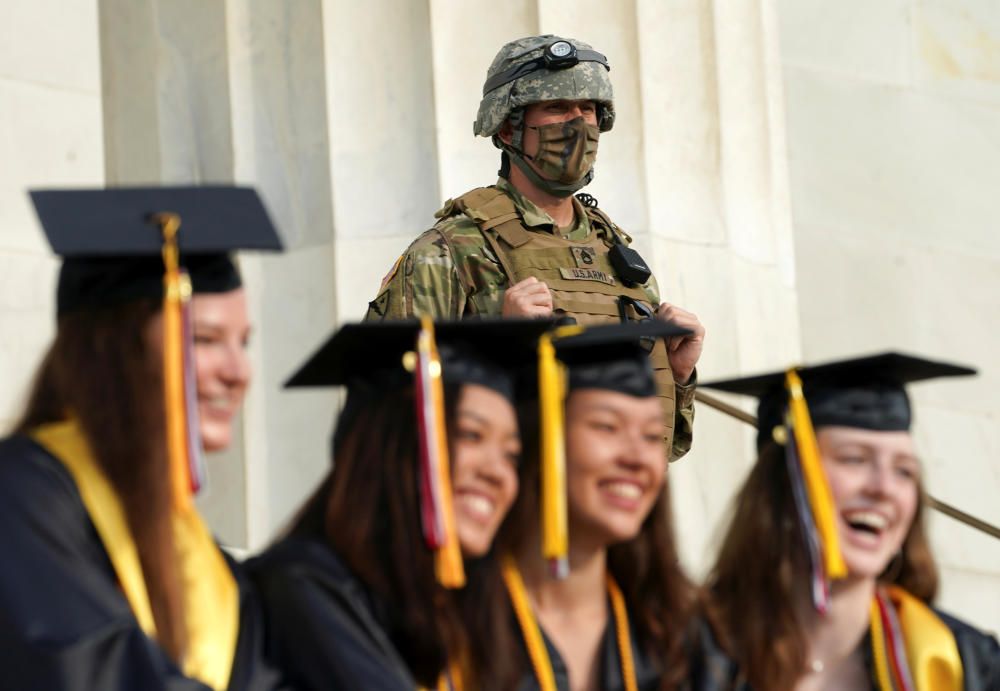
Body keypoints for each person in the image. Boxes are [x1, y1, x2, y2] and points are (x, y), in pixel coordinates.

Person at [365, 34, 705, 462]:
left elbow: (661, 448)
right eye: (558, 108)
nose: (579, 123)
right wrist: (501, 347)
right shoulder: (451, 251)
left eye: (589, 110)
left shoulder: (620, 261)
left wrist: (678, 376)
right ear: (508, 127)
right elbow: (385, 420)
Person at [0, 187, 285, 690]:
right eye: (205, 340)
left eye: (244, 343)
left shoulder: (200, 554)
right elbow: (86, 673)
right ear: (117, 346)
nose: (238, 372)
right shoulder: (23, 495)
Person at [248, 318, 553, 690]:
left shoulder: (467, 613)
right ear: (395, 447)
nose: (499, 474)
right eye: (471, 435)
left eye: (511, 456)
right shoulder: (303, 588)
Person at [698, 353, 1000, 690]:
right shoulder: (685, 655)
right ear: (786, 482)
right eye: (854, 459)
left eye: (904, 471)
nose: (884, 488)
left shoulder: (965, 666)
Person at [467, 320, 696, 691]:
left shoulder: (684, 639)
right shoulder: (445, 630)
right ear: (539, 438)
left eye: (653, 436)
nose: (638, 457)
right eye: (607, 427)